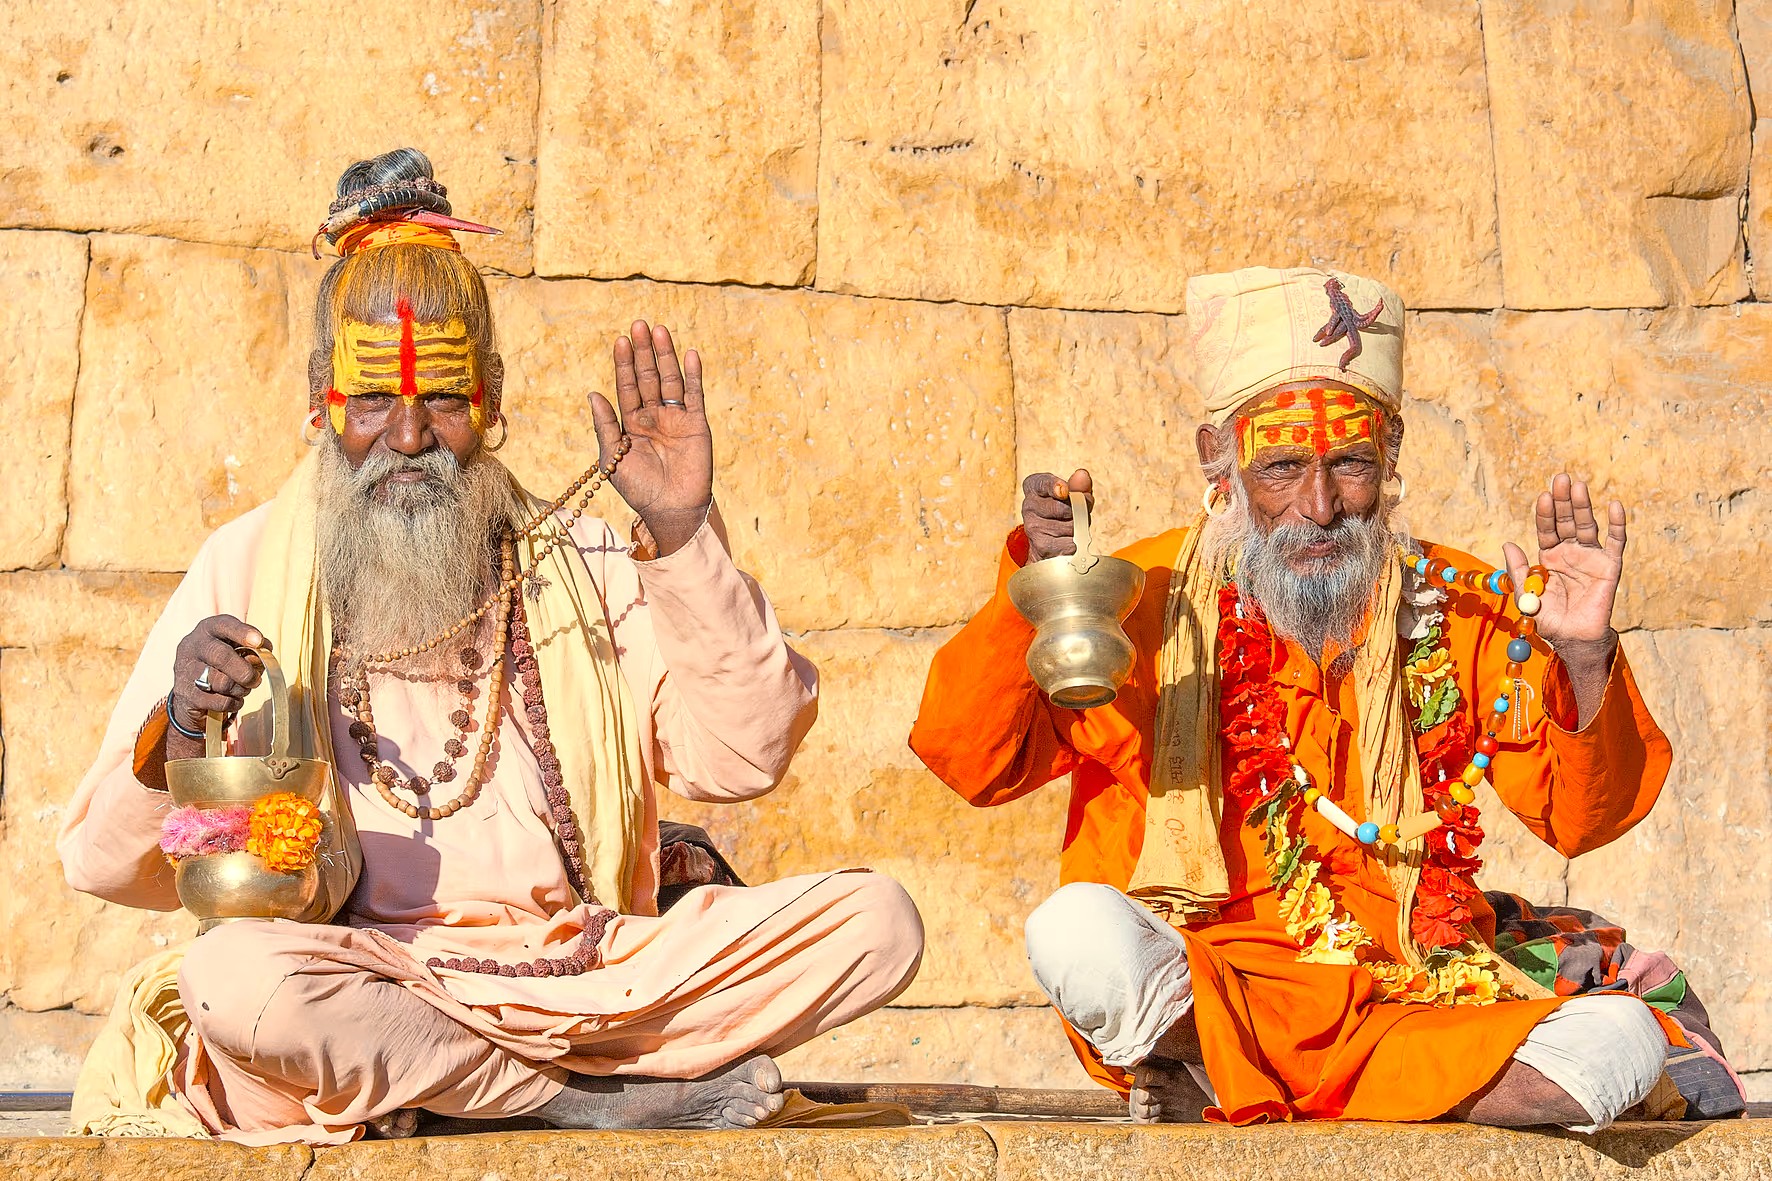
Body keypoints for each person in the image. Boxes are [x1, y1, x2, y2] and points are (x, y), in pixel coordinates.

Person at [60, 148, 923, 1146]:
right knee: (236, 980)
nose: (411, 436)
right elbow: (107, 863)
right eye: (374, 398)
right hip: (364, 979)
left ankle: (451, 1087)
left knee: (877, 921)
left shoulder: (585, 556)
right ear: (317, 398)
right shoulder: (247, 562)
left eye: (445, 398)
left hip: (593, 976)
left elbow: (743, 756)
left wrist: (682, 535)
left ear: (495, 399)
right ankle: (573, 1099)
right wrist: (184, 730)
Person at [910, 266, 1744, 1129]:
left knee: (1618, 1047)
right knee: (1075, 934)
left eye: (1349, 464)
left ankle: (1231, 1083)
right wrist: (1039, 590)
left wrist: (1582, 657)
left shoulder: (1454, 600)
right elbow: (972, 758)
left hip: (1410, 992)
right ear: (1217, 460)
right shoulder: (1134, 594)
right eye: (1281, 468)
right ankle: (1318, 1081)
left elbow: (1583, 818)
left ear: (1391, 457)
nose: (1319, 505)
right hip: (1208, 987)